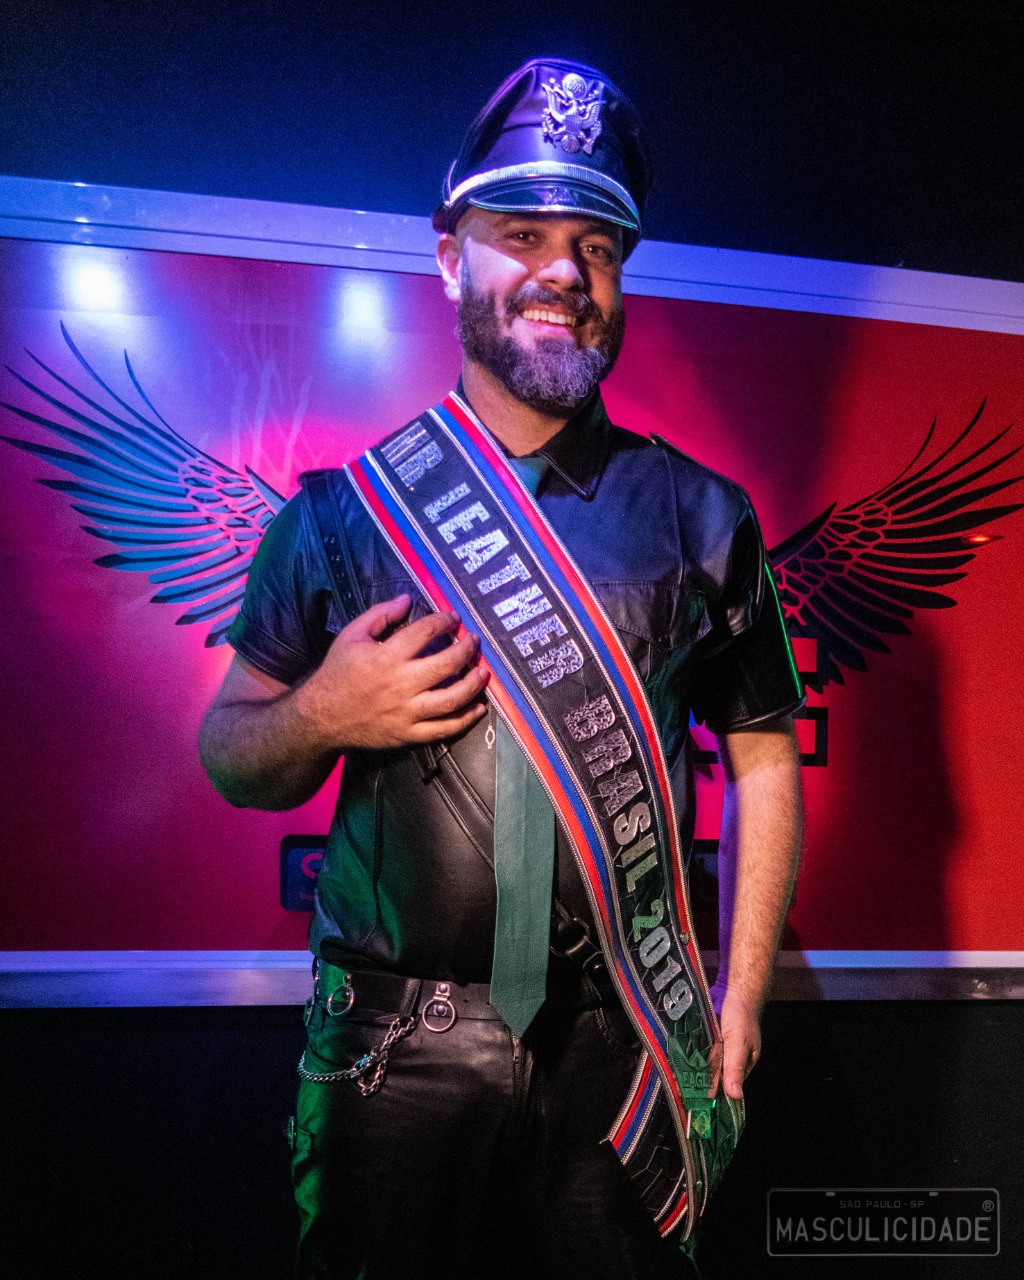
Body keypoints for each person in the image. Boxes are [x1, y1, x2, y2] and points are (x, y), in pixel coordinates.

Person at [199, 57, 803, 1280]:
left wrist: (737, 1000)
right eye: (522, 234)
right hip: (395, 1052)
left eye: (596, 247)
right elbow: (230, 753)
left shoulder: (704, 514)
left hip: (626, 1044)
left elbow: (762, 759)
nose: (564, 273)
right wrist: (320, 711)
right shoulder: (340, 515)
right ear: (448, 257)